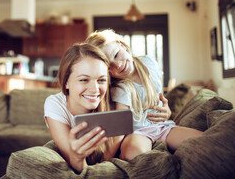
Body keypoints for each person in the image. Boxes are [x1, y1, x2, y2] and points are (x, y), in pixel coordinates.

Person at [85, 29, 203, 161]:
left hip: (162, 127)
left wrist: (166, 110)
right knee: (134, 152)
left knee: (202, 140)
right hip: (138, 133)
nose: (117, 65)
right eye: (109, 67)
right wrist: (105, 160)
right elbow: (120, 128)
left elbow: (159, 98)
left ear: (122, 45)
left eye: (117, 55)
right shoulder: (120, 89)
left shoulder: (149, 63)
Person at [44, 43, 117, 173]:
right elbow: (78, 169)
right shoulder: (55, 104)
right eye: (84, 80)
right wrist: (77, 157)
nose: (95, 89)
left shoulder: (115, 99)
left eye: (101, 80)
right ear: (66, 82)